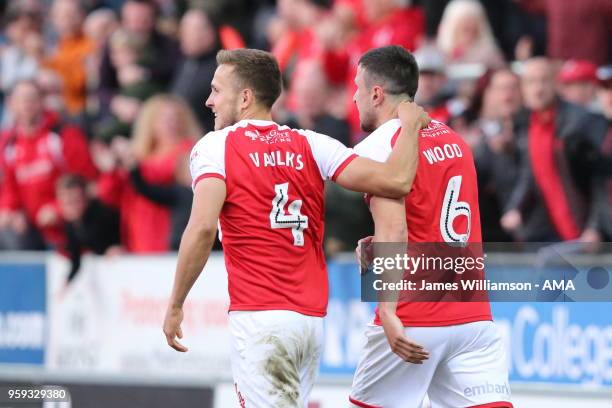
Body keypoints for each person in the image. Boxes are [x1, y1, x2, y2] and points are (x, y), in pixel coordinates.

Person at [162, 48, 430, 407]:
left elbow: (201, 228)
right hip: (310, 324)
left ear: (245, 98)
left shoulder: (215, 147)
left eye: (216, 90)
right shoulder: (311, 143)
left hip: (261, 319)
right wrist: (410, 127)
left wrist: (176, 304)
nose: (209, 101)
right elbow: (397, 181)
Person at [348, 46, 512, 408]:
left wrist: (388, 311)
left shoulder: (377, 147)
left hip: (415, 315)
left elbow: (396, 233)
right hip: (473, 317)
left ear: (376, 93)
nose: (354, 96)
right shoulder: (455, 140)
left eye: (357, 86)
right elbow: (442, 220)